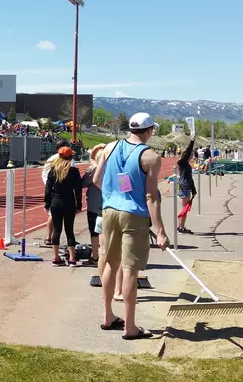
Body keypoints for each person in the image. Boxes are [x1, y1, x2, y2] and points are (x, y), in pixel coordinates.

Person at [93, 112, 168, 340]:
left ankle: (108, 317)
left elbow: (96, 179)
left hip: (109, 211)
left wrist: (110, 198)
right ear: (150, 131)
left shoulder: (109, 147)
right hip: (133, 215)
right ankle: (130, 327)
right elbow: (151, 197)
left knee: (109, 264)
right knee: (130, 271)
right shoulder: (151, 157)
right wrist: (161, 231)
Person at [44, 146, 82, 266]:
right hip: (69, 202)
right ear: (70, 157)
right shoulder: (73, 171)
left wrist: (47, 203)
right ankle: (72, 258)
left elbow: (48, 190)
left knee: (57, 230)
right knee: (69, 230)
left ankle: (55, 258)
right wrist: (79, 204)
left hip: (56, 202)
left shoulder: (53, 171)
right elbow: (78, 190)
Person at [82, 144, 106, 266]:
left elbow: (83, 183)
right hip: (112, 205)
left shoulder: (94, 170)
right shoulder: (117, 168)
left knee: (95, 232)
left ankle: (96, 256)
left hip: (95, 205)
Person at [176, 132, 197, 234]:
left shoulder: (187, 165)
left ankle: (182, 226)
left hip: (187, 187)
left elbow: (190, 178)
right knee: (184, 209)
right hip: (184, 188)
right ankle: (180, 227)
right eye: (191, 154)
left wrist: (193, 189)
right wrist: (192, 141)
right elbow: (188, 151)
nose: (192, 155)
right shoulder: (182, 163)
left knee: (185, 209)